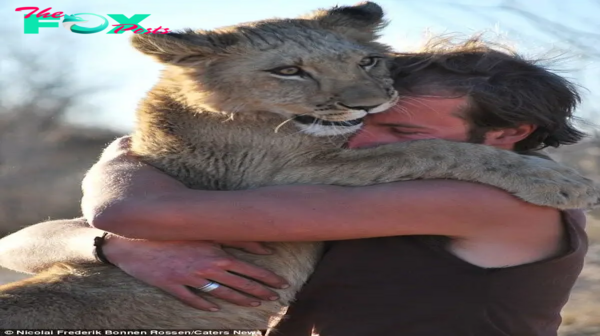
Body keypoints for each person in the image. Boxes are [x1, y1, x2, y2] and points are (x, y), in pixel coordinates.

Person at [0, 37, 589, 336]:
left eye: (400, 129)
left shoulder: (492, 199)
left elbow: (128, 208)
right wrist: (111, 248)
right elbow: (17, 246)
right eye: (357, 120)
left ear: (508, 134)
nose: (356, 141)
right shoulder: (357, 184)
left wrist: (124, 154)